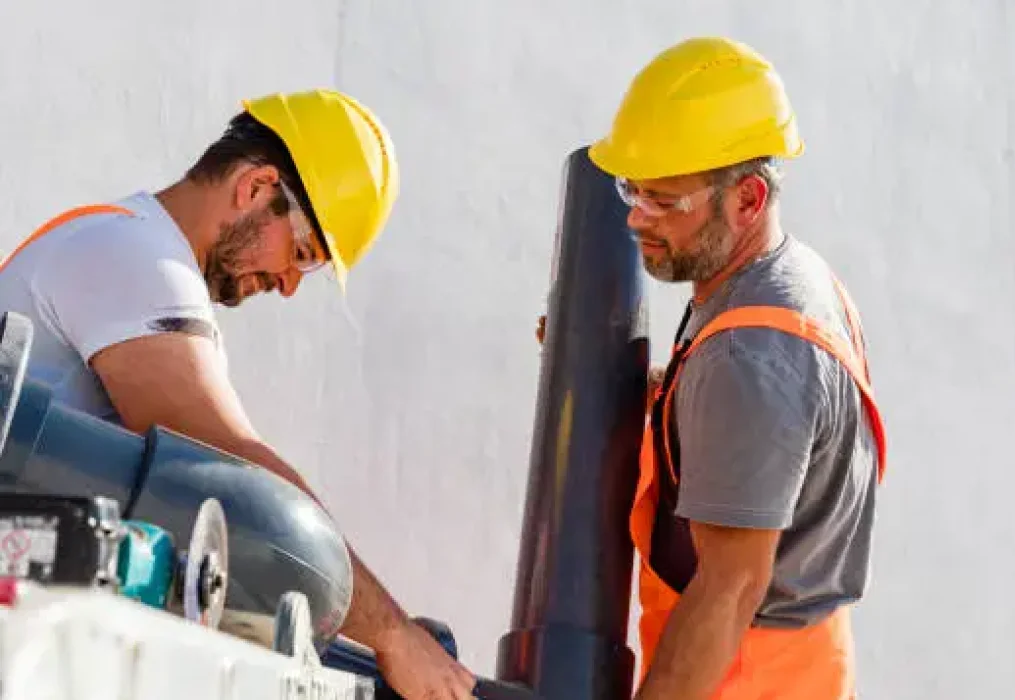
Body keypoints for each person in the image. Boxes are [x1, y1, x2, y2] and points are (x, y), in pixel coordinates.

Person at [0, 88, 477, 700]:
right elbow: (229, 468)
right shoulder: (131, 255)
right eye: (302, 256)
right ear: (256, 187)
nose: (287, 285)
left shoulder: (138, 257)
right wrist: (393, 635)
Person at [584, 37, 889, 699]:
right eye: (631, 190)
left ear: (747, 199)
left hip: (738, 679)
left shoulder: (750, 356)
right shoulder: (789, 282)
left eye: (665, 201)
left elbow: (728, 591)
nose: (637, 217)